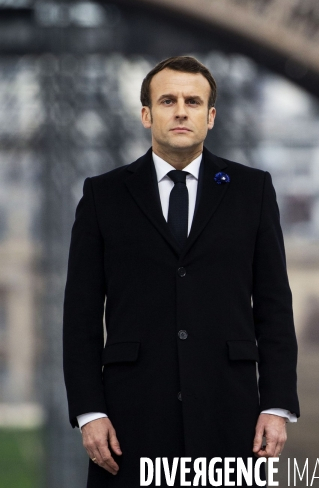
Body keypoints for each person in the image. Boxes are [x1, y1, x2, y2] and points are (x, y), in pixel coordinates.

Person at [63, 55, 300, 487]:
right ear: (146, 114)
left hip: (230, 411)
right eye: (168, 100)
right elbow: (79, 313)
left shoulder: (253, 191)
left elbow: (274, 306)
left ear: (210, 117)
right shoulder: (103, 196)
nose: (180, 110)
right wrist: (90, 412)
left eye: (192, 101)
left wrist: (277, 405)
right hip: (129, 416)